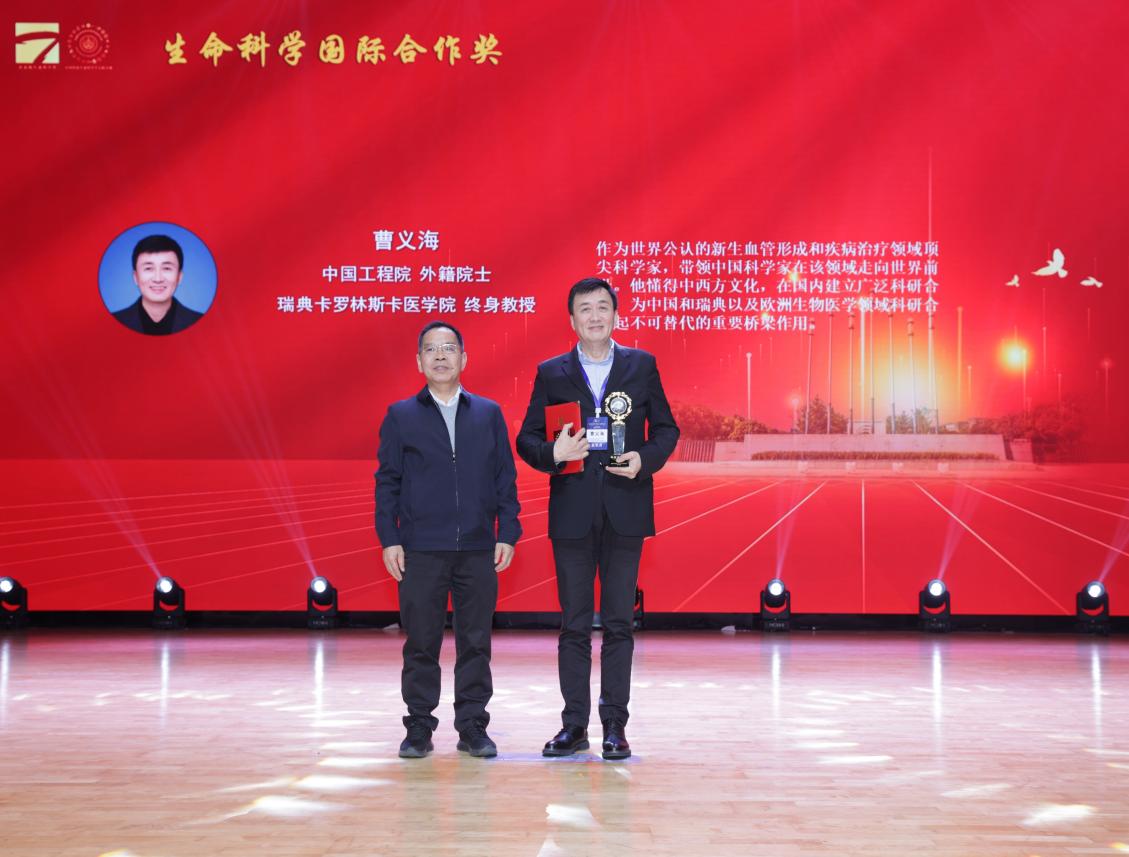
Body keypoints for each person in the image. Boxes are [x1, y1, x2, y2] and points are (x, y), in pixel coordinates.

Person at [517, 277, 679, 759]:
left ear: (615, 315)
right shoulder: (552, 372)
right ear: (572, 319)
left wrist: (644, 460)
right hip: (572, 511)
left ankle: (614, 726)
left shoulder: (641, 365)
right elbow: (526, 439)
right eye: (585, 308)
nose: (594, 316)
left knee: (619, 624)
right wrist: (553, 452)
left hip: (626, 508)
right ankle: (573, 726)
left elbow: (667, 430)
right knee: (573, 624)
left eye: (603, 307)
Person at [375, 321, 521, 759]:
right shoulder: (400, 415)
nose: (440, 356)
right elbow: (387, 482)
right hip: (421, 548)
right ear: (419, 361)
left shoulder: (488, 413)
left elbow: (505, 478)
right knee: (421, 642)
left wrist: (508, 531)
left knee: (476, 641)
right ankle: (419, 726)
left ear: (464, 358)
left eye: (449, 348)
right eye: (431, 349)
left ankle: (473, 726)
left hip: (478, 547)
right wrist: (389, 538)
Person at [112, 234, 204, 335]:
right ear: (135, 277)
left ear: (179, 277)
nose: (158, 279)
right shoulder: (112, 323)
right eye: (148, 268)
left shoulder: (201, 323)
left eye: (167, 268)